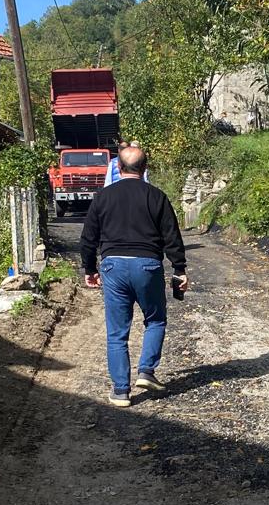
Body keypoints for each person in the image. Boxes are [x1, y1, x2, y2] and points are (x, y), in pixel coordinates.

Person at [80, 143, 188, 406]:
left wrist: (90, 269)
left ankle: (120, 391)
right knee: (155, 320)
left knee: (117, 332)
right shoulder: (157, 197)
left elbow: (87, 238)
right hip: (147, 265)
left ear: (118, 168)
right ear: (145, 168)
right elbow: (172, 236)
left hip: (113, 266)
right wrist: (179, 268)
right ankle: (147, 371)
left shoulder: (102, 197)